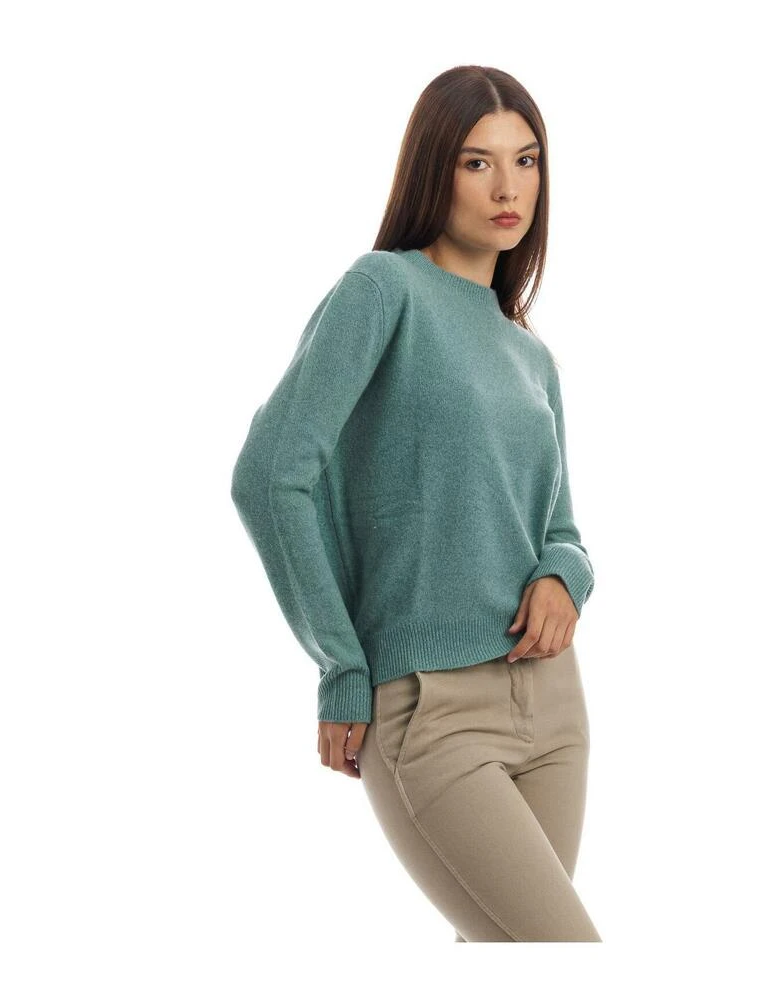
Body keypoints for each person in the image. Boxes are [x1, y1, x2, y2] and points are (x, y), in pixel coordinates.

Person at [230, 65, 601, 942]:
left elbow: (560, 527)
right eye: (477, 163)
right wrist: (340, 664)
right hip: (432, 711)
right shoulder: (383, 292)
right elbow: (270, 474)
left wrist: (564, 575)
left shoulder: (529, 353)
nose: (508, 188)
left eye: (526, 160)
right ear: (434, 170)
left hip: (552, 704)